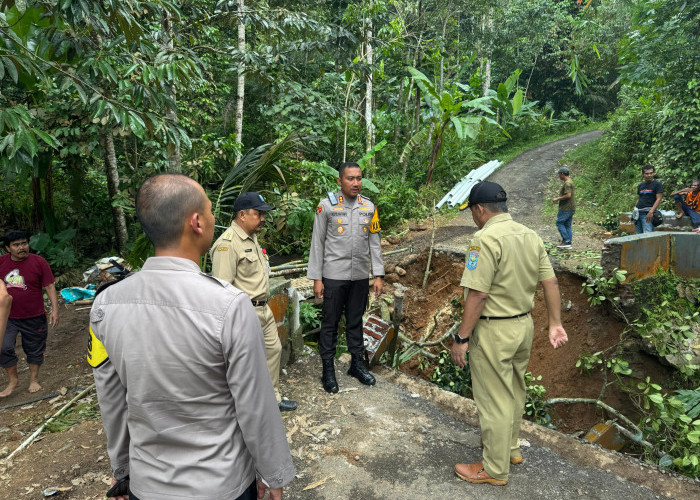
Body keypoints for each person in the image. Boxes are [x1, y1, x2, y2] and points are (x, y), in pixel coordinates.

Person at [89, 174, 294, 500]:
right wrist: (272, 474)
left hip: (148, 484)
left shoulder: (104, 306)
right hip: (221, 483)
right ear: (197, 222)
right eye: (211, 211)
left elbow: (112, 402)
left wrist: (123, 473)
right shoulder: (229, 307)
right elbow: (255, 406)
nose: (215, 218)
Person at [450, 181, 568, 487]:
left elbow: (477, 295)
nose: (473, 218)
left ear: (479, 209)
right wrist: (555, 323)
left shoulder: (483, 239)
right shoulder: (530, 235)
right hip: (522, 326)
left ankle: (493, 468)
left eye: (472, 212)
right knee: (515, 390)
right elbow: (551, 283)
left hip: (494, 329)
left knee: (493, 400)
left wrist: (462, 338)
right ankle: (511, 450)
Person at [211, 191, 298, 412]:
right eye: (258, 214)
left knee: (273, 351)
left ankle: (272, 399)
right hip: (244, 314)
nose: (263, 218)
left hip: (263, 309)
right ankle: (243, 407)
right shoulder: (227, 245)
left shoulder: (251, 238)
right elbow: (222, 291)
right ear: (242, 215)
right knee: (243, 364)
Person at [307, 161, 384, 393]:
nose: (356, 183)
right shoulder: (326, 207)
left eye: (359, 178)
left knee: (355, 321)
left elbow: (375, 243)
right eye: (350, 178)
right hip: (333, 276)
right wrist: (316, 278)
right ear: (340, 181)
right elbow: (317, 244)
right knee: (330, 323)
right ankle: (328, 370)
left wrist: (378, 274)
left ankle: (356, 365)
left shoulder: (369, 207)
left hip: (360, 276)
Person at [0, 230, 59, 397]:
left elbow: (49, 286)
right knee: (3, 348)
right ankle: (13, 380)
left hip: (34, 316)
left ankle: (34, 379)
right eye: (16, 245)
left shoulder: (39, 262)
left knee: (34, 349)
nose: (22, 247)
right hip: (8, 317)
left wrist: (55, 309)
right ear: (7, 248)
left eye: (24, 243)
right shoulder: (1, 263)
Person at [633, 164, 663, 234]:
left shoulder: (657, 184)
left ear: (653, 173)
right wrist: (635, 209)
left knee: (647, 235)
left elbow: (658, 199)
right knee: (638, 236)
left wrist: (651, 212)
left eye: (651, 173)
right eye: (647, 173)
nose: (649, 175)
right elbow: (639, 198)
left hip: (647, 213)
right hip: (638, 212)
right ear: (643, 175)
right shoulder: (641, 185)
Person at [552, 167, 575, 249]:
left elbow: (568, 195)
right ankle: (568, 243)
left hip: (566, 208)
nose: (558, 176)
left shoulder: (567, 184)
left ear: (562, 174)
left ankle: (566, 241)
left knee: (559, 223)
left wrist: (557, 198)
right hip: (571, 207)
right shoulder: (569, 181)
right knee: (567, 225)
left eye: (559, 174)